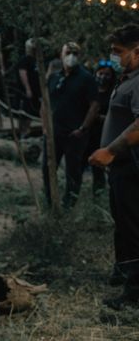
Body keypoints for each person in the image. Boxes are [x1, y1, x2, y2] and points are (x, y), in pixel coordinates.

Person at [89, 24, 139, 310]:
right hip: (120, 168)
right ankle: (124, 273)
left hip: (131, 166)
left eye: (118, 51)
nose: (114, 57)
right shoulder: (126, 78)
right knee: (123, 224)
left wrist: (110, 151)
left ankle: (135, 292)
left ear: (137, 51)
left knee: (133, 227)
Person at [42, 42, 99, 209]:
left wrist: (83, 128)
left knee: (73, 171)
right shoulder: (54, 77)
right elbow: (45, 103)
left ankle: (69, 206)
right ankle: (50, 203)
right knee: (47, 168)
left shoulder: (86, 78)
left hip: (74, 134)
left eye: (75, 53)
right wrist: (45, 127)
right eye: (68, 52)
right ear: (61, 54)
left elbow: (94, 105)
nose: (71, 56)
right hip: (53, 133)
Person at [84, 60, 116, 196]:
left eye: (107, 74)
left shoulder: (114, 93)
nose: (103, 77)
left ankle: (101, 194)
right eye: (100, 73)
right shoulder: (90, 90)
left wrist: (98, 117)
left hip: (104, 135)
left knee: (102, 167)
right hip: (88, 133)